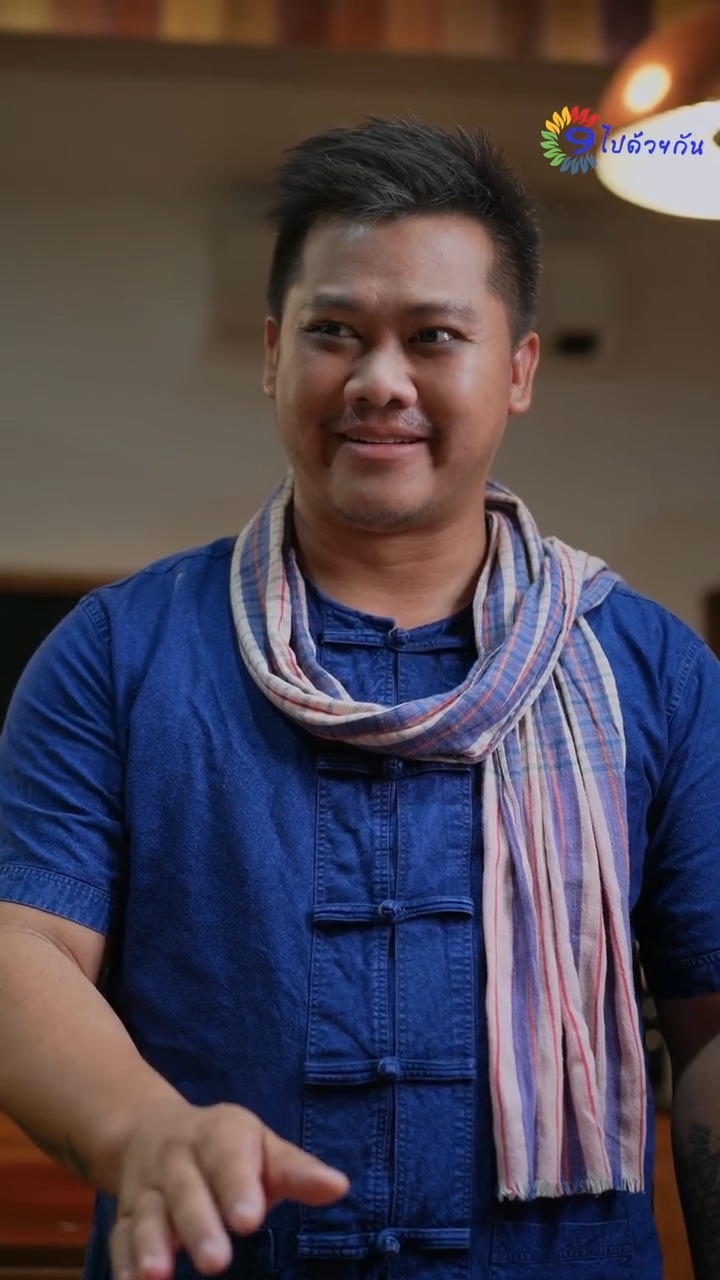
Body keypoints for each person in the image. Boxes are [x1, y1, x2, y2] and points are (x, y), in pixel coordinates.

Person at [1, 117, 719, 1280]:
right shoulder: (117, 653)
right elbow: (22, 942)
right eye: (334, 331)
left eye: (434, 336)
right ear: (273, 354)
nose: (379, 380)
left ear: (518, 369)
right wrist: (143, 1129)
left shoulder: (656, 671)